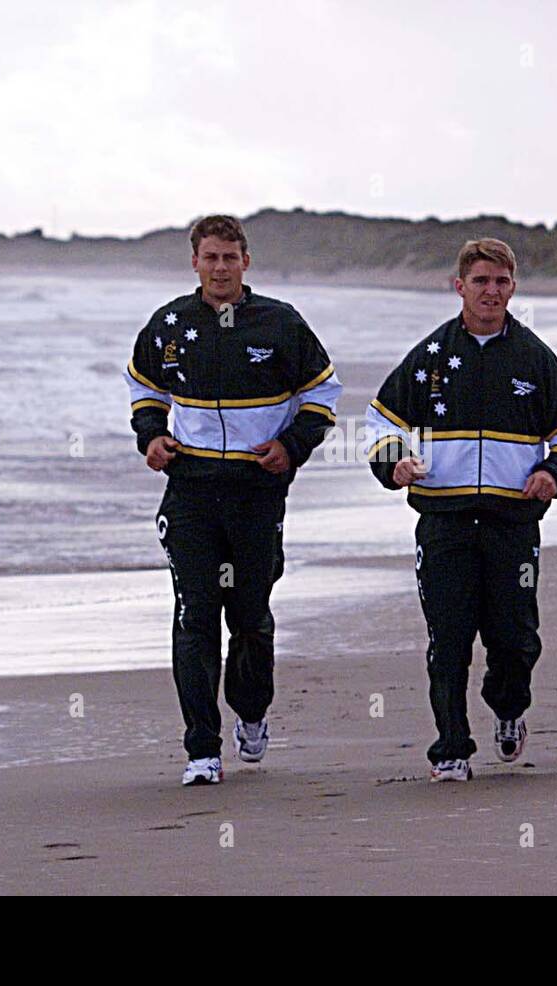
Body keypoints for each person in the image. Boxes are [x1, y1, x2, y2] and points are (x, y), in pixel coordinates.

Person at [124, 215, 341, 786]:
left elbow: (322, 391)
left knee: (248, 617)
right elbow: (144, 386)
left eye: (230, 257)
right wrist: (151, 436)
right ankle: (201, 749)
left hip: (256, 493)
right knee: (195, 615)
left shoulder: (280, 322)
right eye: (210, 257)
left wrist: (293, 447)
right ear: (194, 262)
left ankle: (251, 711)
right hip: (191, 492)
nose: (220, 268)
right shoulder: (170, 323)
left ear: (246, 261)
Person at [366, 238, 557, 782]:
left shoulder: (534, 359)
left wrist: (551, 473)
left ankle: (508, 707)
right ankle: (451, 748)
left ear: (513, 288)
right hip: (444, 522)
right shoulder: (430, 357)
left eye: (501, 282)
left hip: (512, 524)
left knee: (514, 640)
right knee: (448, 638)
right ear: (459, 286)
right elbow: (381, 421)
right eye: (481, 281)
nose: (491, 291)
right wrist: (394, 463)